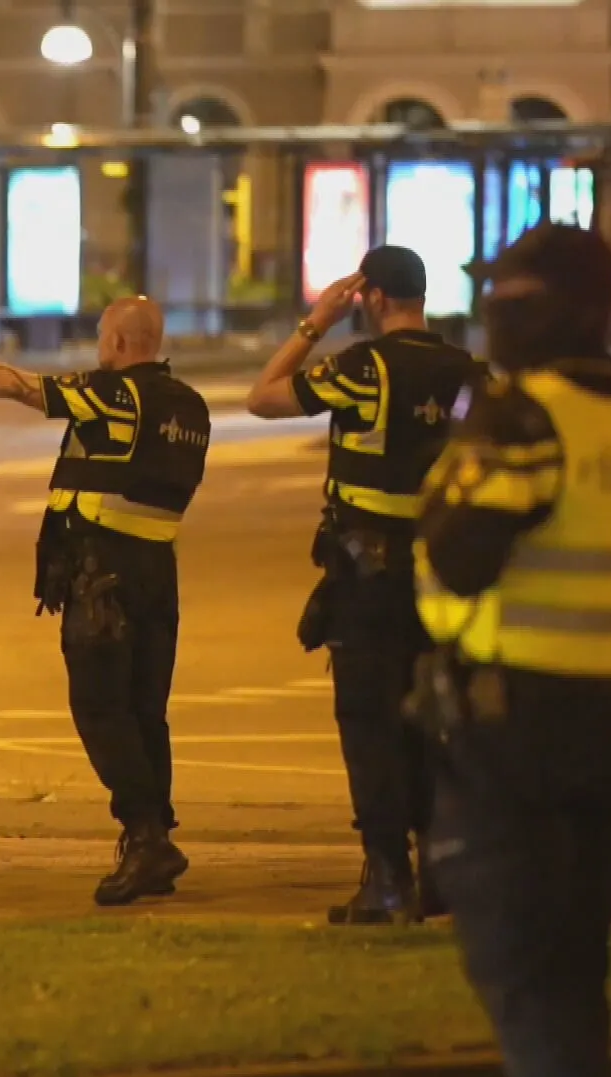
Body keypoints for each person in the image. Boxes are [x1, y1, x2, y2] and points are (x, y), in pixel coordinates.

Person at [412, 224, 611, 1077]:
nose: (495, 316)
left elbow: (457, 557)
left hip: (512, 732)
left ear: (570, 310)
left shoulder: (525, 418)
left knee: (522, 970)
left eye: (512, 300)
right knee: (576, 967)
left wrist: (456, 477)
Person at [0, 296, 209, 907]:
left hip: (105, 577)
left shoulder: (117, 395)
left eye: (104, 337)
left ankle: (146, 837)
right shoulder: (191, 407)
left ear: (121, 345)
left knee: (101, 710)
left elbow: (11, 384)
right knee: (144, 713)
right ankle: (154, 836)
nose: (100, 349)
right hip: (159, 575)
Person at [243, 246, 484, 925]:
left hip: (370, 578)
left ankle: (387, 879)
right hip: (444, 578)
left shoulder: (365, 368)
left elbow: (262, 398)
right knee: (434, 721)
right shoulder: (470, 374)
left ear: (371, 298)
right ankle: (441, 870)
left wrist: (315, 324)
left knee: (370, 723)